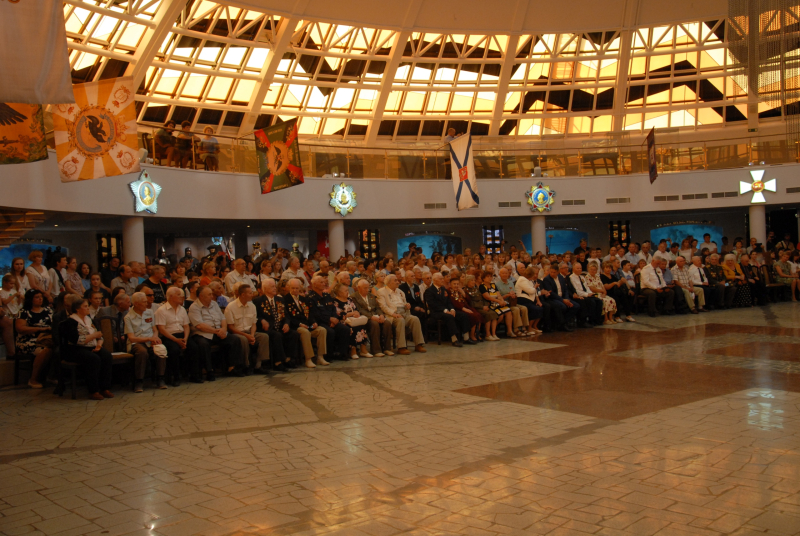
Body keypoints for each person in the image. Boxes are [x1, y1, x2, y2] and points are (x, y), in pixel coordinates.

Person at [189, 286, 246, 380]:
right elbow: (199, 325)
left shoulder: (214, 304)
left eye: (212, 294)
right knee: (203, 344)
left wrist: (223, 329)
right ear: (201, 296)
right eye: (209, 294)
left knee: (234, 339)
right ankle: (209, 370)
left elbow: (223, 318)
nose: (212, 296)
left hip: (218, 331)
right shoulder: (194, 307)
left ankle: (232, 367)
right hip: (202, 334)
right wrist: (216, 331)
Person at [62, 298, 113, 400]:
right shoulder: (70, 322)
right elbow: (76, 340)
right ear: (77, 309)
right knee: (93, 359)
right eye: (85, 306)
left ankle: (105, 388)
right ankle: (93, 390)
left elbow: (99, 335)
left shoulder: (89, 319)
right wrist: (93, 336)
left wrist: (99, 344)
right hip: (75, 349)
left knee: (107, 356)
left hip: (92, 346)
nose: (88, 308)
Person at [125, 292, 167, 392]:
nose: (146, 304)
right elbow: (132, 338)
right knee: (142, 352)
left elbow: (155, 329)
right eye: (144, 302)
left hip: (150, 339)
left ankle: (160, 378)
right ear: (136, 303)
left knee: (161, 349)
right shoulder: (128, 317)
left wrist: (155, 338)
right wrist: (149, 339)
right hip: (137, 342)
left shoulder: (149, 313)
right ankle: (139, 381)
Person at [252, 278, 298, 370]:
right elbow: (255, 316)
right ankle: (278, 362)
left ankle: (289, 359)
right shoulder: (258, 301)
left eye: (275, 286)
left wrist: (286, 324)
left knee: (293, 334)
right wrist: (261, 320)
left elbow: (286, 315)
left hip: (280, 326)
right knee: (276, 335)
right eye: (272, 286)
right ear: (265, 288)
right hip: (267, 328)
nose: (274, 288)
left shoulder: (280, 299)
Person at [225, 283, 270, 374]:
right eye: (249, 293)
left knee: (263, 336)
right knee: (243, 339)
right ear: (243, 294)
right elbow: (230, 327)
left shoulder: (252, 306)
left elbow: (254, 324)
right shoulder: (231, 307)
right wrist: (246, 335)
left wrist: (252, 335)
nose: (252, 295)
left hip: (250, 331)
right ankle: (246, 365)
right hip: (237, 332)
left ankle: (259, 364)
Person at [155, 286, 195, 386]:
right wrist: (176, 340)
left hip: (182, 334)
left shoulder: (182, 309)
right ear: (171, 296)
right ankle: (175, 377)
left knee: (194, 347)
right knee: (174, 350)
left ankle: (194, 375)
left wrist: (185, 339)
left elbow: (186, 326)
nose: (181, 296)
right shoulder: (161, 310)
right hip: (169, 336)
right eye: (178, 295)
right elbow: (162, 329)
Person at [376, 274, 425, 354]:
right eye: (395, 280)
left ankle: (418, 344)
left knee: (415, 319)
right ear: (388, 283)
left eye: (397, 280)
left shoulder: (400, 291)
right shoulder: (381, 291)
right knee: (400, 320)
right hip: (392, 314)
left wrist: (407, 306)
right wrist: (394, 314)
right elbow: (383, 307)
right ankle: (401, 347)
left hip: (404, 312)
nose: (398, 282)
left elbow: (404, 303)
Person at [284, 278, 328, 367]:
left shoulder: (303, 299)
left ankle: (320, 356)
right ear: (289, 288)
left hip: (307, 325)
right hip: (296, 326)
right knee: (305, 332)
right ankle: (308, 359)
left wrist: (314, 322)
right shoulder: (285, 300)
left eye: (297, 288)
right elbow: (287, 316)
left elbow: (309, 313)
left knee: (322, 330)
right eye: (293, 288)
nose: (295, 290)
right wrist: (299, 324)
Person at [15, 289, 55, 388]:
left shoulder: (48, 310)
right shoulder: (24, 312)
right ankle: (33, 379)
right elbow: (20, 328)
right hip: (27, 340)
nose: (40, 299)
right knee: (44, 350)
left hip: (46, 338)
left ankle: (51, 375)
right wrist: (39, 329)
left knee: (57, 347)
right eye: (37, 297)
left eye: (41, 297)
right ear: (30, 299)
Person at [307, 275, 351, 361]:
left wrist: (334, 318)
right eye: (321, 282)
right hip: (320, 322)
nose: (324, 284)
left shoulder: (327, 295)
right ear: (315, 285)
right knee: (330, 332)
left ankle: (342, 353)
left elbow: (333, 308)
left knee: (345, 329)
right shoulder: (311, 298)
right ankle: (328, 355)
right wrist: (329, 320)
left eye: (324, 282)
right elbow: (315, 314)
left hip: (332, 320)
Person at [425, 273, 471, 347]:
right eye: (441, 279)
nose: (442, 280)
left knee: (463, 315)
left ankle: (466, 337)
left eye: (442, 278)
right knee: (449, 317)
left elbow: (448, 301)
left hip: (447, 310)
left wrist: (452, 309)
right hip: (436, 312)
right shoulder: (429, 291)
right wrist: (446, 310)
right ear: (435, 280)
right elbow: (433, 305)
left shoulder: (443, 289)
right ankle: (454, 339)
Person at [353, 278, 392, 357]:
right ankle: (376, 350)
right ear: (359, 288)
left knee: (387, 323)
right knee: (374, 324)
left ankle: (387, 348)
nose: (367, 290)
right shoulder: (354, 297)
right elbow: (359, 310)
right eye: (365, 288)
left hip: (376, 315)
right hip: (364, 318)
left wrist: (381, 315)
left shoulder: (371, 296)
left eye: (368, 288)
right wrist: (371, 317)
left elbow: (377, 307)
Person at [331, 282, 370, 358]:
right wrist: (349, 314)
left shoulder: (350, 299)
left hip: (353, 320)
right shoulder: (335, 302)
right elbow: (337, 315)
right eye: (345, 291)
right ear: (339, 292)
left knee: (361, 326)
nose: (347, 292)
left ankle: (363, 348)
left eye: (347, 290)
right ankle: (353, 349)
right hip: (343, 321)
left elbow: (356, 309)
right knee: (351, 328)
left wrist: (356, 313)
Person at [495, 267, 531, 336]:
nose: (505, 275)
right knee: (516, 309)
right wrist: (507, 295)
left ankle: (524, 328)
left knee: (524, 308)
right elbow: (498, 297)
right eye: (503, 273)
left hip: (512, 302)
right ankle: (516, 329)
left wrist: (513, 295)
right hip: (505, 303)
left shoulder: (511, 283)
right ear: (499, 274)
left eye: (506, 273)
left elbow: (514, 293)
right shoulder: (497, 284)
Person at [479, 271, 513, 339]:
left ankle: (509, 331)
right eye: (487, 277)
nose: (489, 278)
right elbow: (487, 297)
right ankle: (491, 331)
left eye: (490, 276)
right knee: (500, 315)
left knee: (508, 311)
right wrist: (498, 301)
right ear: (483, 278)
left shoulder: (493, 285)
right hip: (490, 304)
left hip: (497, 303)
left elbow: (498, 295)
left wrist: (502, 301)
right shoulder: (482, 286)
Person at [449, 277, 482, 342]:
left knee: (478, 314)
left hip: (466, 307)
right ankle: (471, 335)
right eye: (454, 284)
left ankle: (476, 334)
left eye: (457, 284)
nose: (456, 285)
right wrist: (463, 309)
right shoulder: (449, 291)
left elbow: (469, 300)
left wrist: (463, 293)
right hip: (458, 309)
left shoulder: (459, 291)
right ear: (450, 284)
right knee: (473, 316)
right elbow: (453, 303)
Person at [0, 274, 21, 357]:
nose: (12, 285)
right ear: (5, 283)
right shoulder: (2, 292)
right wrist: (14, 295)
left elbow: (18, 303)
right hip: (7, 313)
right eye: (11, 283)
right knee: (8, 323)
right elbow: (4, 302)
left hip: (15, 311)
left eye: (13, 284)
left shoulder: (13, 291)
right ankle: (11, 352)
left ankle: (18, 348)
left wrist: (20, 297)